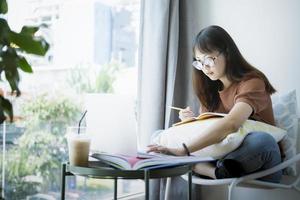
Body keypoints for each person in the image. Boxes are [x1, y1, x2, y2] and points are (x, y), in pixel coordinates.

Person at [147, 25, 282, 183]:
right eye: (199, 62)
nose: (204, 67)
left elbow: (231, 124)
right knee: (157, 137)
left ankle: (203, 167)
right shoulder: (211, 92)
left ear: (228, 53)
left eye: (208, 59)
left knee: (262, 140)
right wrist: (190, 123)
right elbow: (211, 130)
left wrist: (183, 150)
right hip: (223, 160)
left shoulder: (253, 82)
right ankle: (217, 172)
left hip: (260, 160)